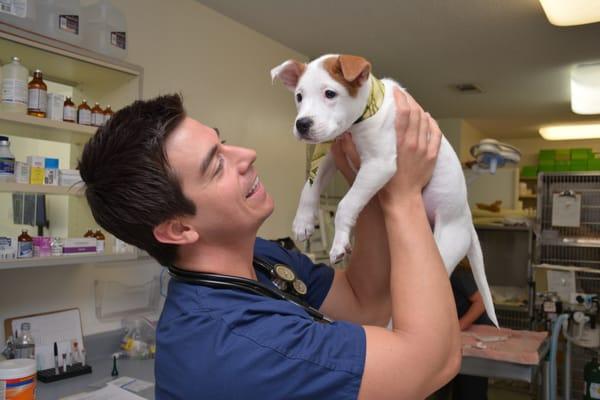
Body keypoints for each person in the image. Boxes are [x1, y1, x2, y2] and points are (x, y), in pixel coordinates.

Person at [78, 88, 461, 399]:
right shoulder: (241, 347)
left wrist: (368, 182)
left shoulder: (258, 258)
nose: (247, 155)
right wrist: (403, 195)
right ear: (178, 230)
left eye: (223, 143)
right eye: (217, 165)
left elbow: (366, 303)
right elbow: (434, 362)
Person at [434, 258, 494, 400]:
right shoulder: (440, 270)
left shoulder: (457, 271)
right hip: (459, 335)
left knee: (470, 389)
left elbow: (481, 302)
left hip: (474, 333)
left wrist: (458, 327)